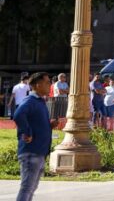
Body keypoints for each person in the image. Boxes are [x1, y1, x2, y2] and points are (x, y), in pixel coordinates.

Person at [13, 72, 56, 201]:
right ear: (38, 85)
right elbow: (18, 115)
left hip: (39, 151)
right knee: (27, 188)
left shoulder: (39, 101)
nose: (50, 85)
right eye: (47, 82)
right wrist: (27, 132)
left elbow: (35, 122)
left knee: (31, 188)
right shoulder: (30, 101)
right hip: (31, 152)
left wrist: (50, 125)